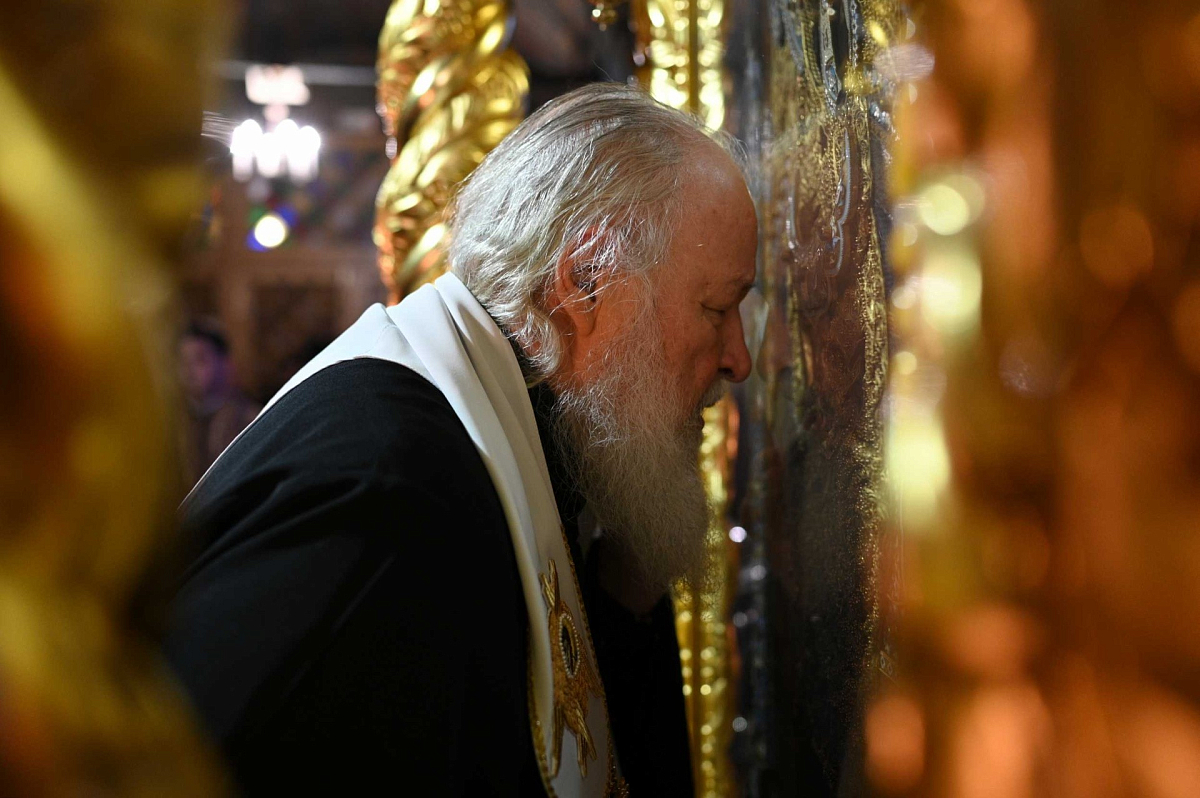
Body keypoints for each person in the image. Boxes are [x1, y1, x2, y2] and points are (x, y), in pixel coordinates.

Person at [163, 83, 756, 797]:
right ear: (587, 282)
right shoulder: (388, 492)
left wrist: (621, 595)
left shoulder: (520, 443)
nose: (739, 359)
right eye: (717, 308)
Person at [177, 320, 261, 485]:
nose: (189, 370)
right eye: (183, 361)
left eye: (200, 359)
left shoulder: (249, 419)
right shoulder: (176, 423)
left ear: (225, 363)